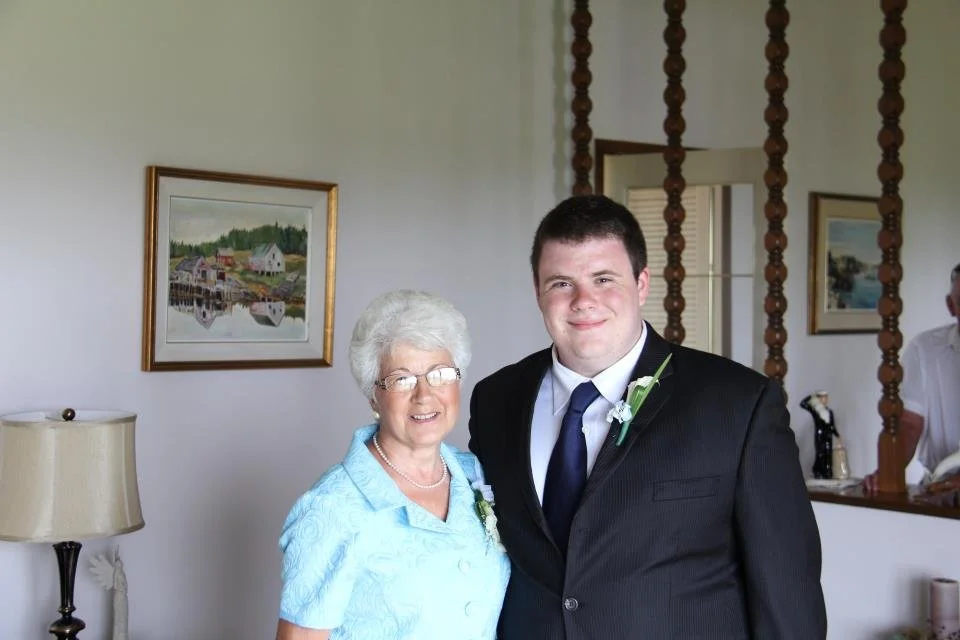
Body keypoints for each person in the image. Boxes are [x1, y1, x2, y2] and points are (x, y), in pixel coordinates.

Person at [468, 195, 826, 638]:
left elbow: (787, 590)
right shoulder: (495, 400)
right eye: (561, 282)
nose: (583, 300)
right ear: (538, 290)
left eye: (603, 279)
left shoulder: (738, 404)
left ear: (641, 284)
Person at [276, 290, 509, 640]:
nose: (424, 394)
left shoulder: (472, 473)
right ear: (374, 395)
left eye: (440, 374)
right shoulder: (331, 508)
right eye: (402, 379)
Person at [864, 262, 960, 492]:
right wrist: (888, 473)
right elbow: (908, 424)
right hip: (942, 490)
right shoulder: (925, 349)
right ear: (951, 305)